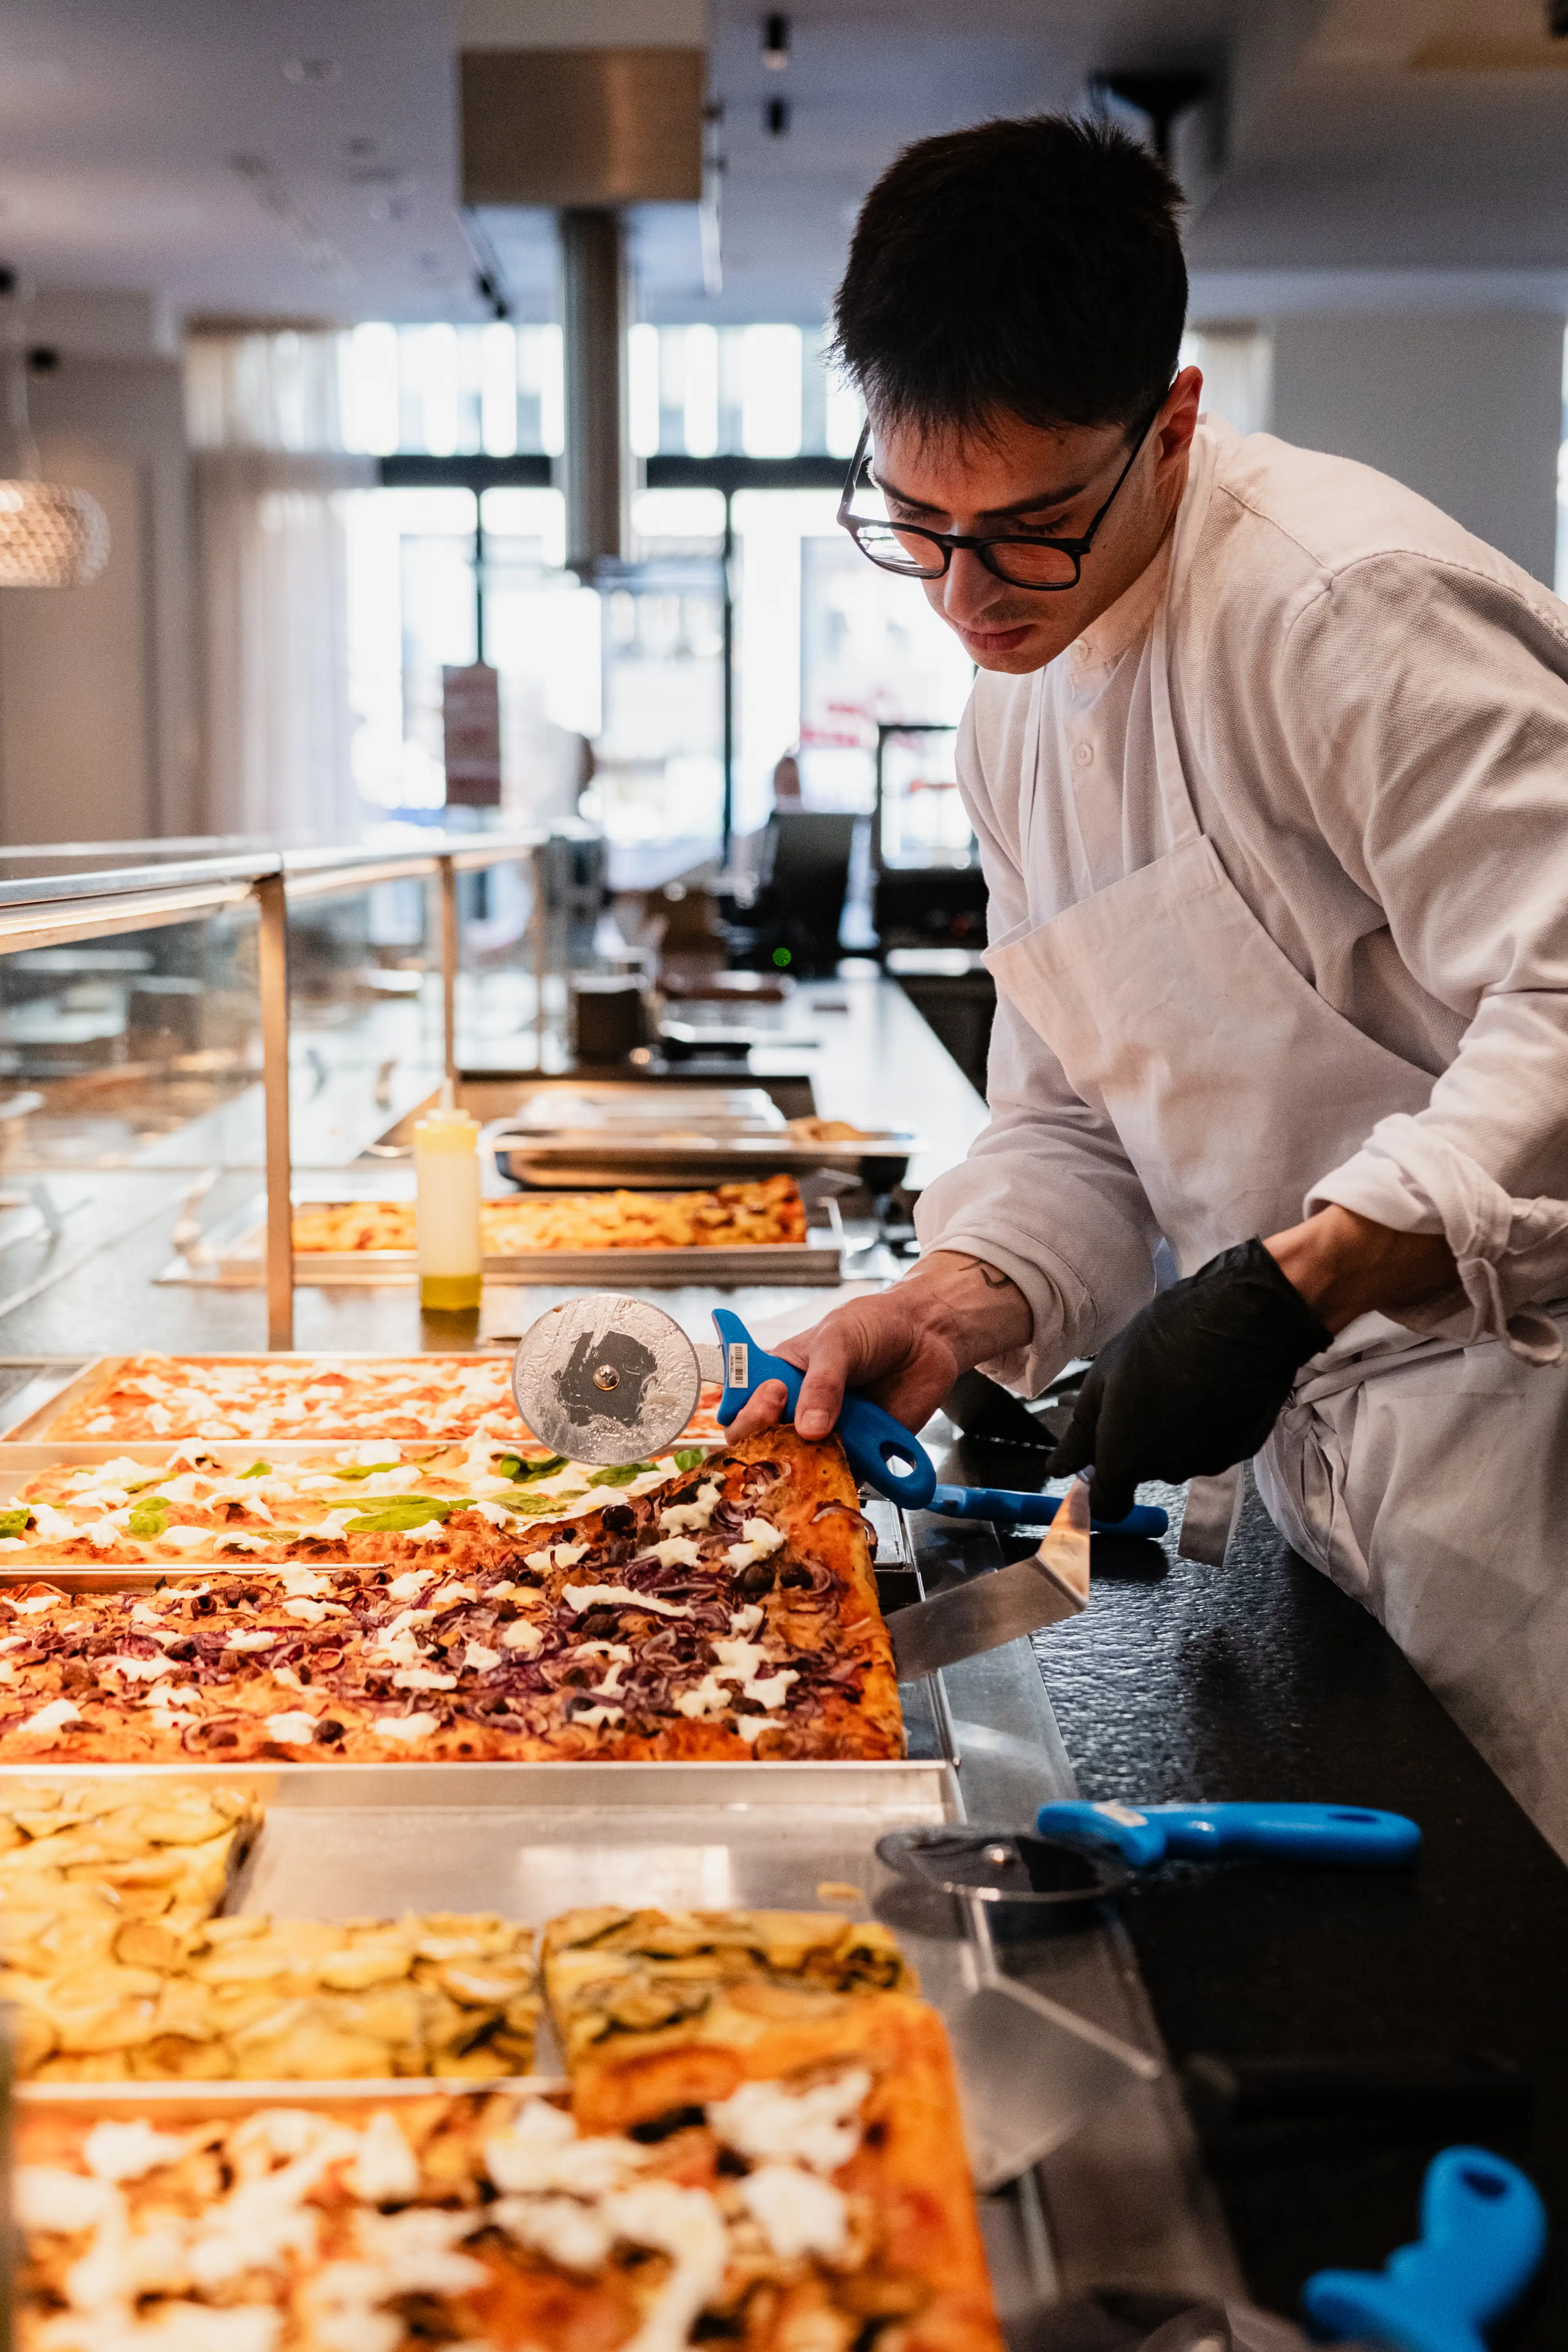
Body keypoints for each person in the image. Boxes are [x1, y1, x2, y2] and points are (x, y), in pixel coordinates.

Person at [731, 114, 1568, 1855]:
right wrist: (954, 1299)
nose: (967, 595)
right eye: (916, 521)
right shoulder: (1010, 704)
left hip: (1520, 1421)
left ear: (1172, 424)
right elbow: (1070, 1115)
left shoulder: (1346, 604)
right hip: (1320, 1454)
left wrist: (1303, 1270)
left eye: (1029, 527)